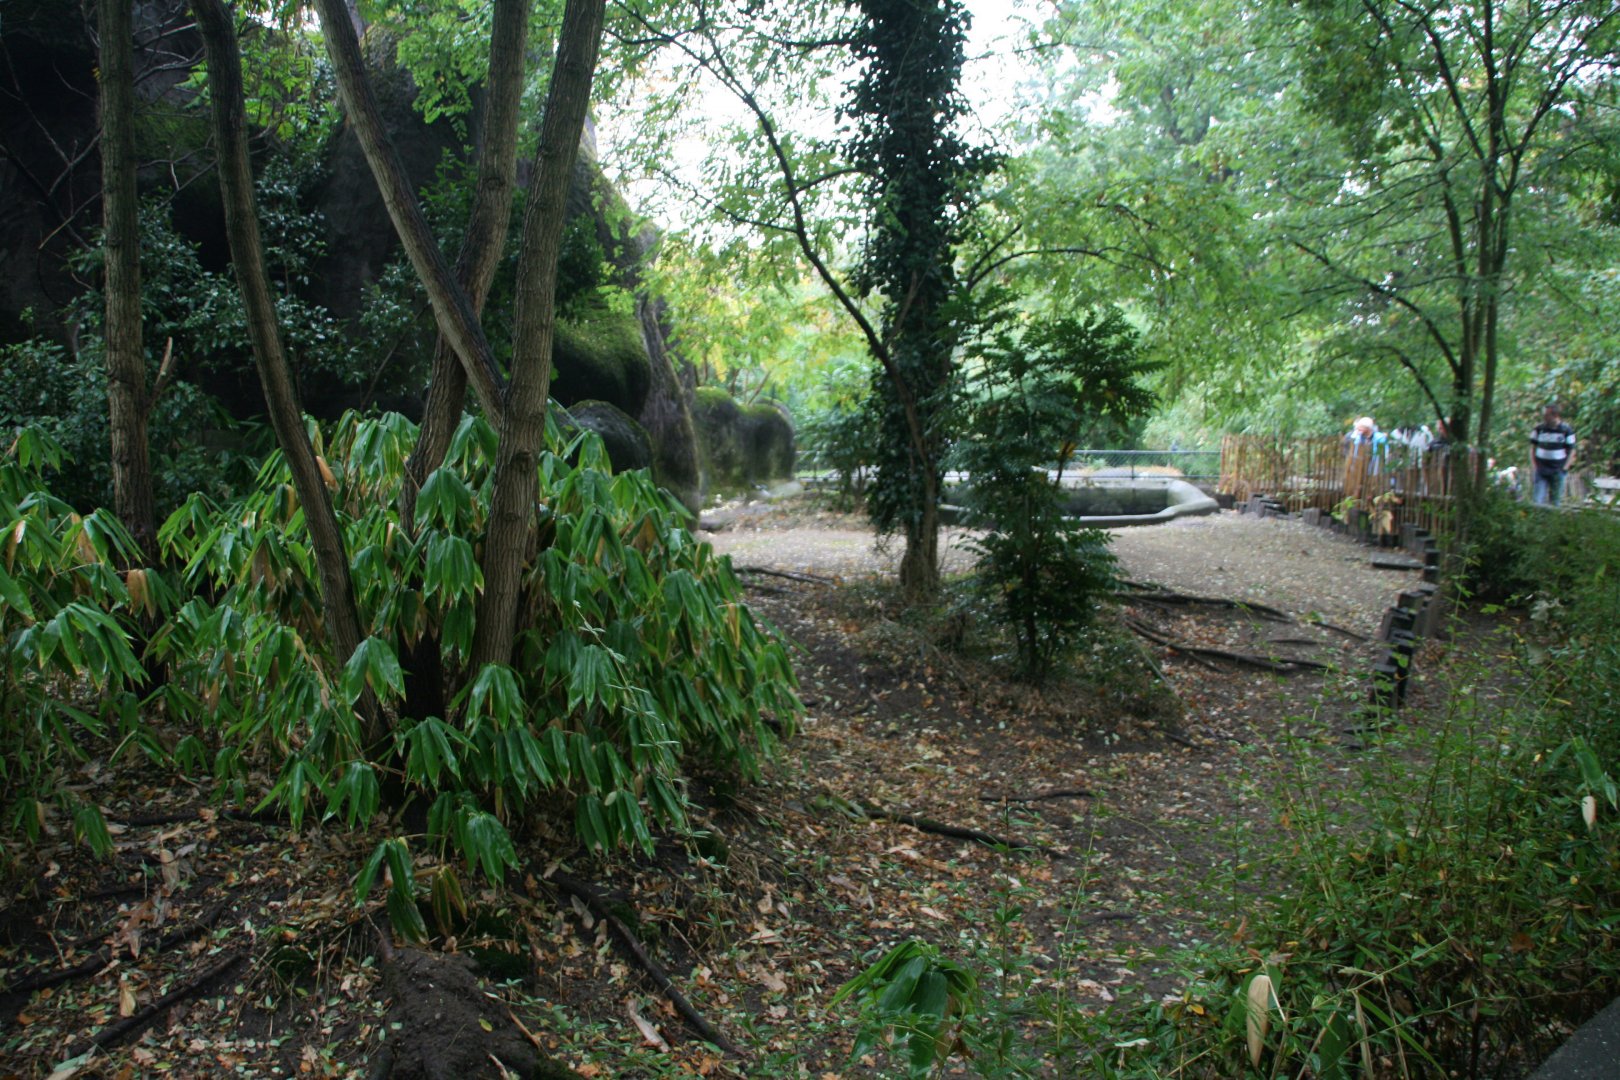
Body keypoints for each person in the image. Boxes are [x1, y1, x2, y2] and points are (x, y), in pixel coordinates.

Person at [1529, 403, 1577, 506]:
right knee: (1537, 501)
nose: (1544, 417)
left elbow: (1572, 451)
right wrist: (1534, 466)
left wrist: (1565, 468)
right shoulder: (1539, 429)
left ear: (1555, 415)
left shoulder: (1566, 430)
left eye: (1546, 415)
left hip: (1557, 470)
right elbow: (1532, 448)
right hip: (1541, 470)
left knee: (1555, 502)